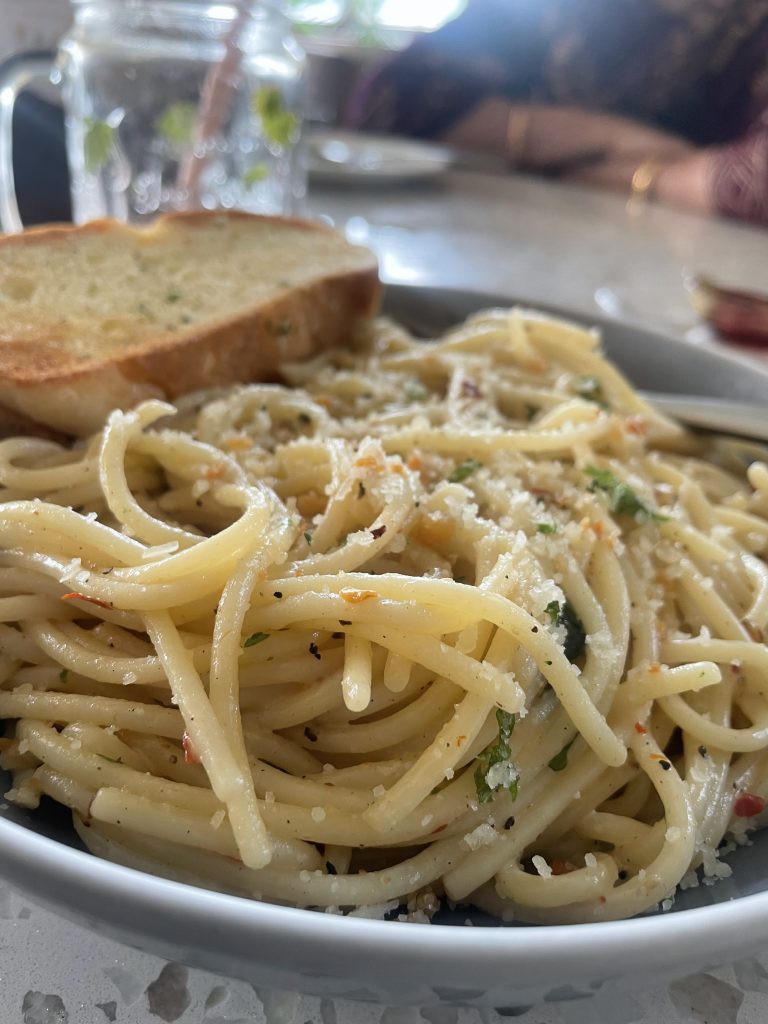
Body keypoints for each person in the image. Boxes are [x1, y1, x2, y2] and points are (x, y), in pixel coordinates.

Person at [346, 0, 768, 227]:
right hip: (510, 251)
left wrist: (638, 178)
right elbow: (390, 100)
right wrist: (614, 139)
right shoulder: (549, 11)